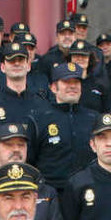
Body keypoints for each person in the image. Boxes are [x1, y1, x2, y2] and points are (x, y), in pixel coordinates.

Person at [28, 63, 98, 193]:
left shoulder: (94, 118)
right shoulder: (38, 119)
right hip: (52, 194)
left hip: (88, 192)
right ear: (54, 87)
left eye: (76, 82)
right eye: (66, 81)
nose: (72, 86)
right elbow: (30, 160)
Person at [0, 42, 48, 125]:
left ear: (28, 66)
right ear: (3, 67)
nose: (17, 63)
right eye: (11, 60)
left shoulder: (40, 102)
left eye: (21, 60)